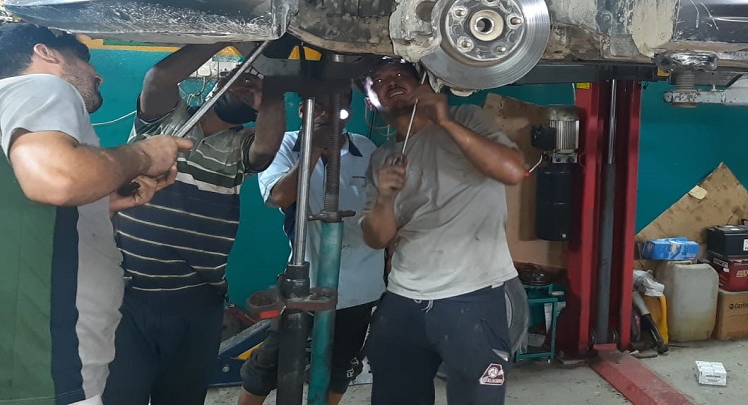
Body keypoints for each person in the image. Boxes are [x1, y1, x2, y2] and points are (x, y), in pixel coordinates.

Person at [0, 23, 191, 405]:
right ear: (46, 53)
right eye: (84, 58)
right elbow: (57, 179)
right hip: (48, 372)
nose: (97, 74)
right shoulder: (42, 86)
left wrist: (99, 205)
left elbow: (28, 208)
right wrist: (146, 153)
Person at [103, 44, 286, 405]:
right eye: (236, 79)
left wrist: (271, 91)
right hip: (127, 296)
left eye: (253, 87)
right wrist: (227, 34)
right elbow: (158, 78)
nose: (244, 86)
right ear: (216, 84)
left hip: (197, 302)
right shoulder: (164, 121)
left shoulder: (241, 147)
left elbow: (266, 147)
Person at [359, 57, 526, 405]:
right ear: (370, 102)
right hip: (403, 300)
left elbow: (512, 171)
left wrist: (445, 121)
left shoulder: (467, 119)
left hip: (473, 296)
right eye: (378, 81)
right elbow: (376, 238)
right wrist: (385, 198)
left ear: (422, 83)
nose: (391, 82)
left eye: (400, 74)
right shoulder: (381, 159)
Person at [238, 87, 381, 405]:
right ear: (302, 110)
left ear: (349, 112)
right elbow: (279, 196)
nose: (327, 116)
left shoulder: (366, 148)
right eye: (318, 108)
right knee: (270, 364)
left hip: (361, 284)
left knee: (341, 367)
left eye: (337, 109)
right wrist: (314, 149)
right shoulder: (285, 145)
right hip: (307, 281)